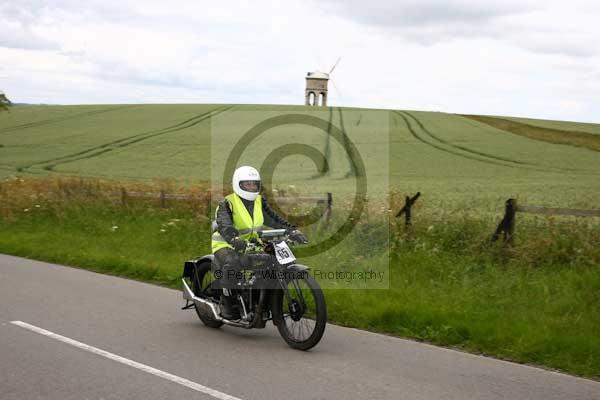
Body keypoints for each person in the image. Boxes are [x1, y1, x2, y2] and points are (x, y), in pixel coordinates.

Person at [211, 166, 307, 319]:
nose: (252, 187)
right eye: (247, 184)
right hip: (226, 245)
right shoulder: (227, 203)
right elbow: (224, 225)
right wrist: (234, 239)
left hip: (251, 244)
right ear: (238, 184)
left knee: (273, 261)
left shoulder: (259, 201)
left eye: (254, 184)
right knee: (233, 263)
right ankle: (226, 302)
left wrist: (292, 230)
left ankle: (260, 300)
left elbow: (274, 219)